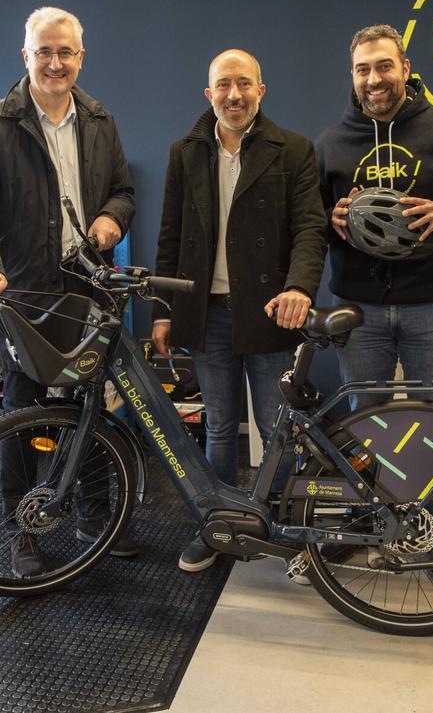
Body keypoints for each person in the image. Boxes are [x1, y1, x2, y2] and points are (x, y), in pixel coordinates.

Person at [0, 6, 137, 579]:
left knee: (94, 407)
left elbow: (123, 190)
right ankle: (25, 531)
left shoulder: (99, 120)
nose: (55, 63)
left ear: (81, 57)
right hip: (22, 297)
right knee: (21, 415)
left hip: (86, 289)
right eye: (44, 52)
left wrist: (112, 217)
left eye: (66, 52)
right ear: (26, 56)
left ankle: (95, 517)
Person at [316, 24, 433, 578]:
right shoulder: (329, 143)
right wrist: (331, 220)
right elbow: (311, 223)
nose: (374, 79)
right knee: (362, 424)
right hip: (360, 310)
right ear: (352, 75)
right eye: (363, 69)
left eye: (384, 66)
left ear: (405, 66)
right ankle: (360, 522)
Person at [153, 49, 327, 573]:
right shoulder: (184, 153)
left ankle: (273, 525)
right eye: (223, 85)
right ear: (208, 95)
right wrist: (164, 310)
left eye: (244, 84)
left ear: (261, 90)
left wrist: (300, 287)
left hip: (271, 311)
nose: (234, 94)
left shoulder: (292, 149)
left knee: (278, 428)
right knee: (221, 425)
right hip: (207, 313)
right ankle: (218, 525)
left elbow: (311, 229)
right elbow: (170, 237)